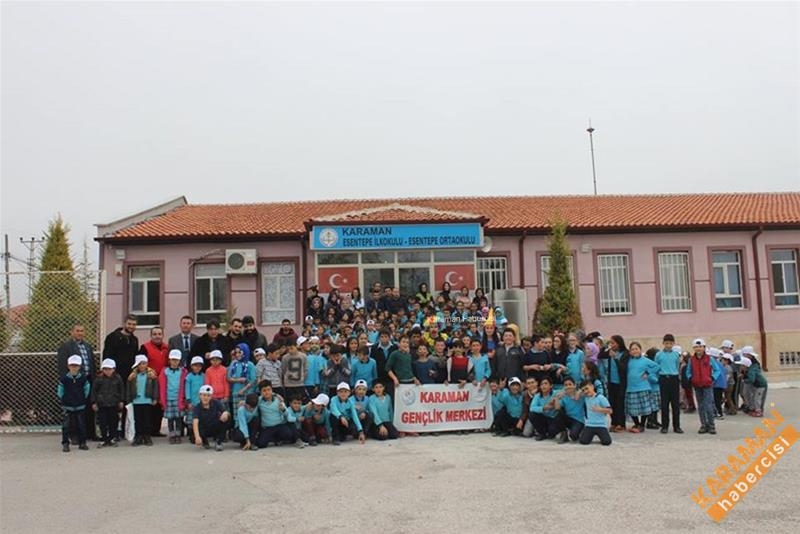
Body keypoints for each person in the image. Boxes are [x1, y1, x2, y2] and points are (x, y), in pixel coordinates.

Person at [57, 324, 97, 441]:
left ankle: (90, 433)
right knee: (74, 408)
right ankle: (74, 435)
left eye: (82, 331)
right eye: (77, 331)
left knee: (89, 407)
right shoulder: (66, 347)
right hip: (74, 381)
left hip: (87, 379)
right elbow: (62, 365)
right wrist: (67, 380)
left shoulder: (87, 346)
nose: (80, 333)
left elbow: (92, 363)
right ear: (72, 332)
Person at [103, 315, 139, 439]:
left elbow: (135, 359)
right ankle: (112, 432)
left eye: (134, 324)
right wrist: (110, 373)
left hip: (129, 377)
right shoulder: (112, 337)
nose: (131, 326)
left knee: (126, 404)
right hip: (114, 377)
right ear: (124, 323)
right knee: (114, 405)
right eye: (129, 324)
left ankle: (124, 430)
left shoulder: (134, 340)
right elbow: (107, 356)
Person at [685, 338, 721, 435]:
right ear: (693, 348)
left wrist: (712, 378)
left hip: (707, 385)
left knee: (708, 405)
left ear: (704, 347)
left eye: (700, 347)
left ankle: (711, 425)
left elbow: (717, 370)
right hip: (697, 385)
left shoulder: (710, 359)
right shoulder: (691, 360)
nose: (698, 349)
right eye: (696, 347)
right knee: (700, 406)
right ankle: (703, 425)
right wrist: (691, 378)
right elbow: (688, 371)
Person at [624, 341, 660, 433]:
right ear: (630, 351)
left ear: (640, 350)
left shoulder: (645, 360)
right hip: (631, 388)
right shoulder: (628, 361)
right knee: (632, 409)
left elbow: (656, 366)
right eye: (632, 349)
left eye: (636, 349)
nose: (635, 351)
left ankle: (642, 425)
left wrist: (647, 373)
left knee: (645, 408)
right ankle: (636, 423)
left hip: (643, 387)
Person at [140, 326, 169, 436]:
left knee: (159, 405)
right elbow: (140, 363)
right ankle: (147, 429)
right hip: (149, 380)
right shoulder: (144, 347)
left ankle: (156, 429)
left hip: (162, 380)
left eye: (159, 334)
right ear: (151, 336)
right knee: (149, 405)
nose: (157, 336)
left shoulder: (166, 348)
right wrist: (148, 372)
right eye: (155, 334)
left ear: (163, 335)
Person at [58, 355, 91, 452]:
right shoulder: (64, 379)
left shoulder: (83, 378)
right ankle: (65, 443)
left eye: (76, 366)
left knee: (81, 425)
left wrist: (82, 398)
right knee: (66, 426)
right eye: (72, 366)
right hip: (67, 405)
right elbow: (60, 390)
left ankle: (82, 442)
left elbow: (87, 388)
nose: (74, 368)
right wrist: (64, 398)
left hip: (80, 405)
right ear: (68, 366)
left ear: (79, 367)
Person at [255, 380, 300, 448]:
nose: (267, 392)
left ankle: (280, 439)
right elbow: (251, 402)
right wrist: (243, 403)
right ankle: (273, 439)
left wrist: (283, 410)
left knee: (288, 434)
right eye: (264, 390)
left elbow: (287, 414)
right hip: (267, 427)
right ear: (260, 392)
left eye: (268, 390)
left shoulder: (278, 400)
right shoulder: (259, 401)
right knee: (261, 444)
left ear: (271, 390)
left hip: (279, 425)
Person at [91, 358, 124, 448]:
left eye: (110, 369)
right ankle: (104, 438)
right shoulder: (99, 379)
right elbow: (94, 391)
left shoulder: (118, 378)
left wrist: (121, 400)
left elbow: (121, 389)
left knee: (113, 421)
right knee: (103, 422)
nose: (107, 371)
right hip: (102, 404)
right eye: (105, 369)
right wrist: (94, 402)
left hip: (114, 403)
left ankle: (112, 437)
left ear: (114, 369)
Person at [127, 354, 158, 447]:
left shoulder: (151, 375)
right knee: (138, 420)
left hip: (147, 400)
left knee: (147, 419)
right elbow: (128, 387)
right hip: (136, 400)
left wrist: (155, 398)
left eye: (144, 363)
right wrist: (129, 399)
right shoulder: (133, 375)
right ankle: (138, 436)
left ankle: (147, 436)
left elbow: (155, 387)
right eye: (140, 364)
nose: (142, 366)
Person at [655, 335, 683, 434]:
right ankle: (664, 426)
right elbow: (656, 367)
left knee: (675, 404)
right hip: (663, 378)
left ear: (673, 344)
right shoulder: (659, 355)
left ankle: (677, 426)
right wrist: (657, 378)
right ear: (663, 343)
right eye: (666, 343)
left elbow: (677, 366)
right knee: (664, 404)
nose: (668, 345)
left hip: (674, 379)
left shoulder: (676, 355)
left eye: (671, 343)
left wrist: (675, 375)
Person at [159, 350, 187, 444]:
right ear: (169, 360)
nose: (175, 362)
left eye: (177, 360)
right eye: (173, 360)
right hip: (169, 398)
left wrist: (184, 398)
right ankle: (171, 434)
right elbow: (162, 386)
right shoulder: (165, 371)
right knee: (170, 419)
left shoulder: (183, 371)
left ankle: (178, 434)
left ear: (179, 361)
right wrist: (162, 399)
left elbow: (184, 385)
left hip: (179, 398)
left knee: (179, 418)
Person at [192, 384, 230, 451]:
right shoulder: (197, 408)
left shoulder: (216, 402)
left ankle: (219, 442)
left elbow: (225, 411)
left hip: (214, 427)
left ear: (211, 397)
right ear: (200, 396)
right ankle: (204, 441)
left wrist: (225, 413)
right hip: (204, 429)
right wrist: (197, 437)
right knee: (195, 428)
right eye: (204, 395)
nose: (206, 398)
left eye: (208, 395)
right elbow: (195, 422)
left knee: (227, 417)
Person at [578, 380, 613, 446]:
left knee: (607, 442)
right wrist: (581, 391)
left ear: (592, 387)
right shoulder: (585, 398)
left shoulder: (601, 398)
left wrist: (600, 409)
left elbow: (610, 411)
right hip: (589, 425)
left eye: (587, 388)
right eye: (583, 390)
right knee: (583, 441)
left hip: (601, 425)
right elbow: (576, 397)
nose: (585, 391)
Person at [607, 335, 630, 432]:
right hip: (611, 382)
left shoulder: (625, 354)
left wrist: (615, 358)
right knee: (612, 403)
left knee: (620, 403)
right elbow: (599, 355)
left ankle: (621, 423)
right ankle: (614, 422)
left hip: (621, 383)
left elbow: (623, 368)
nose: (611, 345)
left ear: (619, 343)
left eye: (613, 343)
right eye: (610, 343)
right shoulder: (610, 352)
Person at [529, 377, 563, 441]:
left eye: (546, 383)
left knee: (552, 430)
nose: (543, 386)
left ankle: (553, 432)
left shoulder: (556, 393)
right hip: (543, 418)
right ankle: (542, 434)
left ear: (551, 385)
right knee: (532, 414)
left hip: (553, 418)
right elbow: (532, 408)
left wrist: (556, 398)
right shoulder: (537, 396)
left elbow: (565, 390)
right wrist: (544, 408)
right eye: (542, 384)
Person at [554, 376, 585, 443]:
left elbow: (588, 389)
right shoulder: (564, 396)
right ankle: (564, 434)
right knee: (558, 413)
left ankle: (581, 430)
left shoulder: (580, 394)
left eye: (570, 384)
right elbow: (557, 408)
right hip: (569, 419)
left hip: (578, 420)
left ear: (574, 385)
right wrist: (557, 398)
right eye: (566, 385)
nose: (568, 386)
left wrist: (580, 391)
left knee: (574, 436)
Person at [228, 343, 257, 410]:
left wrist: (244, 389)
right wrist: (238, 380)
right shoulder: (233, 363)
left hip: (248, 393)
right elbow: (229, 378)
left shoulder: (250, 364)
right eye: (236, 353)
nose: (237, 355)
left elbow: (253, 380)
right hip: (236, 392)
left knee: (248, 412)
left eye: (239, 352)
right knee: (237, 413)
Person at [184, 356, 206, 434]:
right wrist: (188, 400)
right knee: (191, 418)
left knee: (201, 417)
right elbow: (187, 389)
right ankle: (191, 433)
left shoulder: (203, 376)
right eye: (195, 365)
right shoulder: (189, 377)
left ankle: (200, 432)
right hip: (192, 401)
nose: (197, 367)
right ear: (191, 366)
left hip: (201, 401)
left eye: (199, 366)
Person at [282, 337, 308, 402]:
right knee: (289, 401)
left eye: (291, 348)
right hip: (288, 384)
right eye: (288, 349)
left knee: (300, 401)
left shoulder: (303, 356)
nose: (290, 351)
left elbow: (305, 369)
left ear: (296, 346)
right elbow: (283, 369)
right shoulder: (285, 357)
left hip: (299, 384)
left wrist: (302, 379)